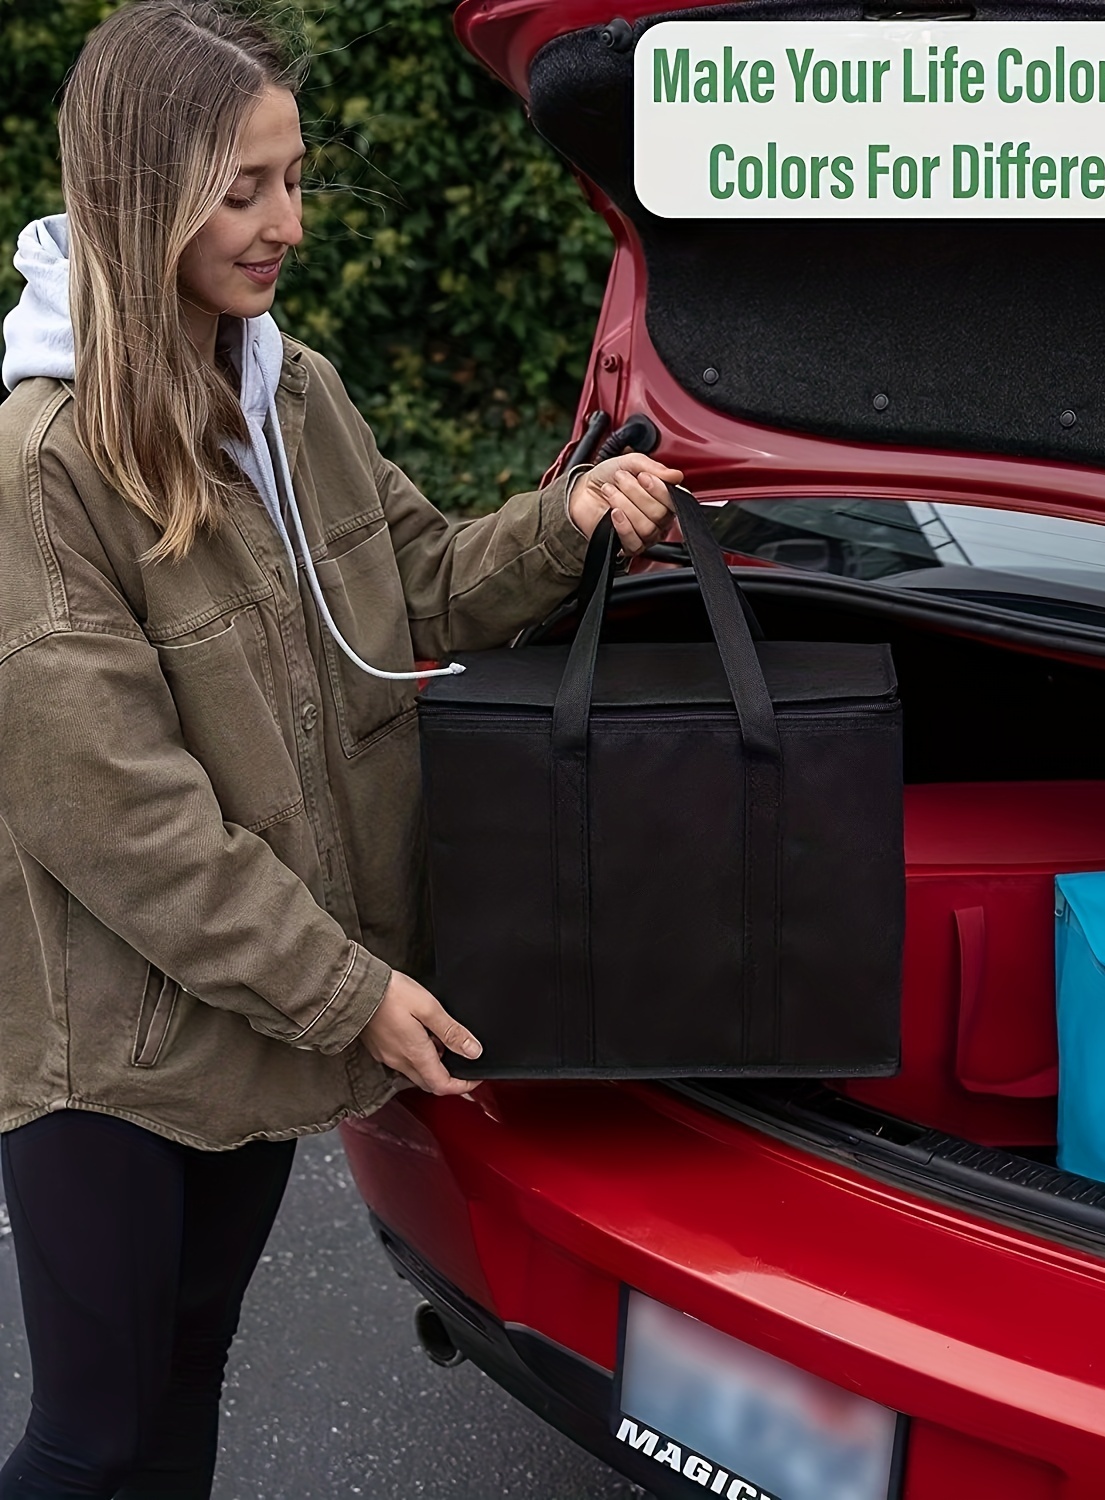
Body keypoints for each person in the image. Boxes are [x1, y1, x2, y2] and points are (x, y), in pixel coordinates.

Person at [0, 2, 682, 1494]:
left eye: (294, 178)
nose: (287, 223)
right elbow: (116, 817)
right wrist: (351, 989)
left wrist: (564, 523)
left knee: (185, 1385)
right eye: (244, 189)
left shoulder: (287, 393)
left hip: (257, 1018)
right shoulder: (45, 460)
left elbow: (414, 584)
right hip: (107, 1054)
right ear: (143, 192)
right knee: (90, 1434)